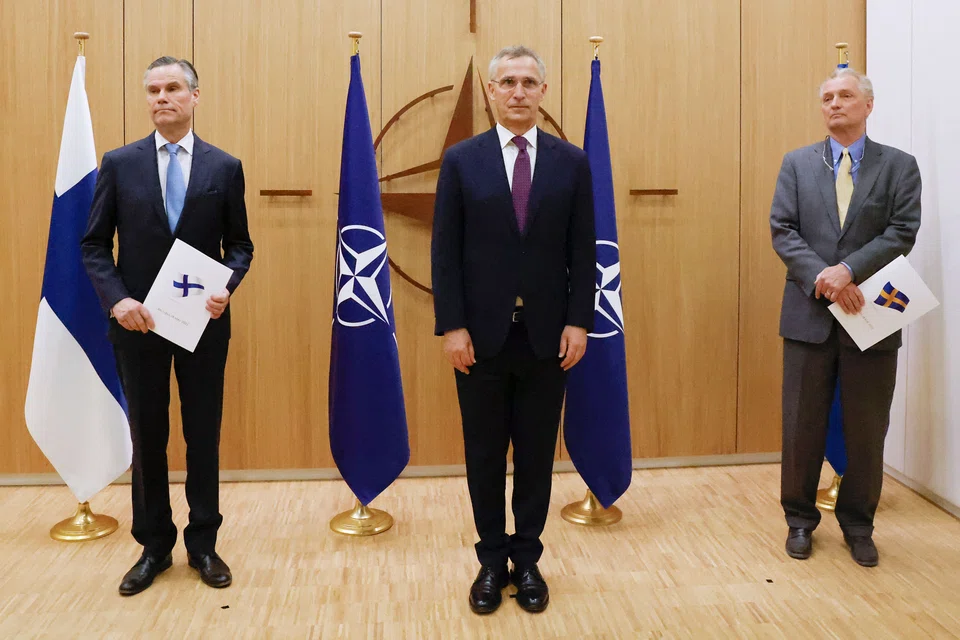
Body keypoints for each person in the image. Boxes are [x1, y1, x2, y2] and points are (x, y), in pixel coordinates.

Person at [431, 45, 595, 613]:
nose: (519, 92)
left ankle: (527, 561)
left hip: (549, 337)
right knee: (483, 455)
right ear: (493, 92)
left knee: (533, 456)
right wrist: (451, 326)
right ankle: (489, 561)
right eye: (508, 82)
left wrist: (580, 320)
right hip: (480, 338)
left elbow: (583, 250)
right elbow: (445, 253)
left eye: (529, 82)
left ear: (543, 92)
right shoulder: (461, 160)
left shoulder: (572, 163)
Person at [81, 56, 254, 595]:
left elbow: (241, 246)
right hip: (138, 327)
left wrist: (228, 284)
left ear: (195, 97)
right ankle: (154, 546)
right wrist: (118, 300)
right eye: (153, 89)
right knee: (148, 436)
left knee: (203, 435)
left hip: (202, 325)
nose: (162, 97)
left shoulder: (223, 167)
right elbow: (92, 245)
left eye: (173, 88)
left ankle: (203, 543)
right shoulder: (119, 163)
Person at [770, 67, 921, 567]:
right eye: (827, 98)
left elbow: (902, 230)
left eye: (846, 96)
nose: (835, 104)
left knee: (865, 426)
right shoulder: (796, 164)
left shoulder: (900, 166)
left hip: (872, 318)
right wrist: (826, 277)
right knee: (801, 424)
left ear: (868, 105)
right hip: (809, 316)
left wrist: (849, 269)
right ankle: (799, 520)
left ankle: (859, 525)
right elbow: (783, 230)